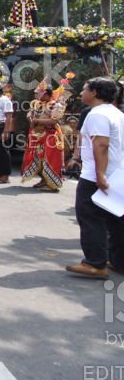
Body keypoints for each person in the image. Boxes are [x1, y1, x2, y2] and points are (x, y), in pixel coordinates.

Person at [65, 77, 124, 278]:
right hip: (116, 173)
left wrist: (99, 174)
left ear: (95, 93)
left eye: (84, 89)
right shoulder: (116, 113)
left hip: (96, 175)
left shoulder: (96, 114)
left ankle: (95, 263)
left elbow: (101, 145)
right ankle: (118, 261)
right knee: (116, 219)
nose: (81, 93)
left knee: (90, 217)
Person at [20, 81, 66, 192]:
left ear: (47, 94)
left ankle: (52, 185)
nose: (37, 96)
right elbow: (30, 115)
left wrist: (37, 120)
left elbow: (53, 120)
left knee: (50, 159)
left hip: (51, 136)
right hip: (37, 136)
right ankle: (44, 180)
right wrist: (31, 118)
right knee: (37, 158)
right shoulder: (37, 103)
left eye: (40, 94)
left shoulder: (56, 105)